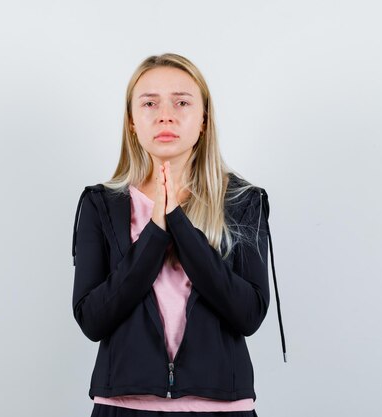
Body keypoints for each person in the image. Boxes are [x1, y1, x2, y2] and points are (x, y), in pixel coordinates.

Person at [71, 53, 286, 417]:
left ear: (203, 120)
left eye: (182, 102)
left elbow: (248, 315)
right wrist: (156, 231)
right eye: (150, 103)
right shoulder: (100, 204)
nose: (165, 114)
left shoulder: (244, 201)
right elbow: (93, 320)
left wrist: (177, 221)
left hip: (223, 408)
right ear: (132, 122)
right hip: (121, 406)